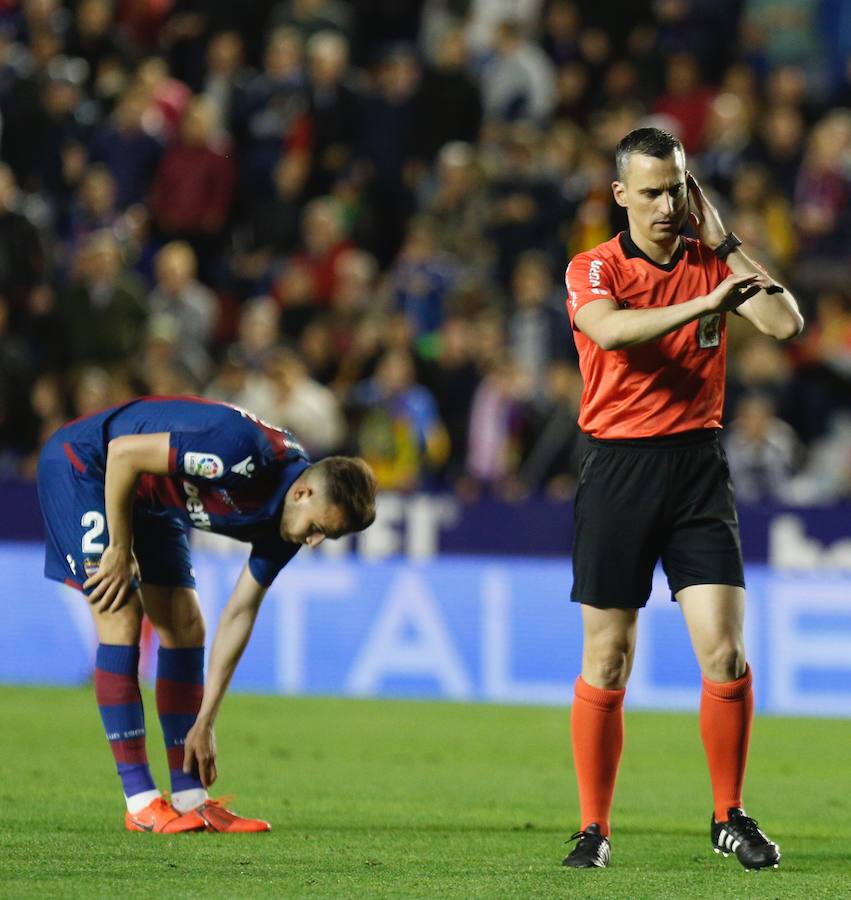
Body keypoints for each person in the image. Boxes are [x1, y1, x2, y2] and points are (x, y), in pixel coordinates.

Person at [561, 127, 803, 870]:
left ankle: (727, 813)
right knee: (607, 659)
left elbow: (784, 322)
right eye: (652, 190)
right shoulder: (593, 268)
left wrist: (726, 247)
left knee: (724, 652)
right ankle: (594, 828)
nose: (666, 203)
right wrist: (703, 302)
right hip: (616, 471)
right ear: (620, 194)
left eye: (676, 187)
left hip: (696, 466)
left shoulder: (711, 262)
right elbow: (608, 333)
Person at [36, 396, 376, 834]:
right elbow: (123, 452)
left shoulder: (289, 521)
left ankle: (190, 798)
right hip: (88, 466)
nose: (311, 543)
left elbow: (240, 612)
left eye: (323, 537)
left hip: (149, 497)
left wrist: (207, 719)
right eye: (317, 529)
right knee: (120, 612)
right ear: (303, 492)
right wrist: (119, 549)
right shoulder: (240, 453)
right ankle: (140, 803)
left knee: (184, 625)